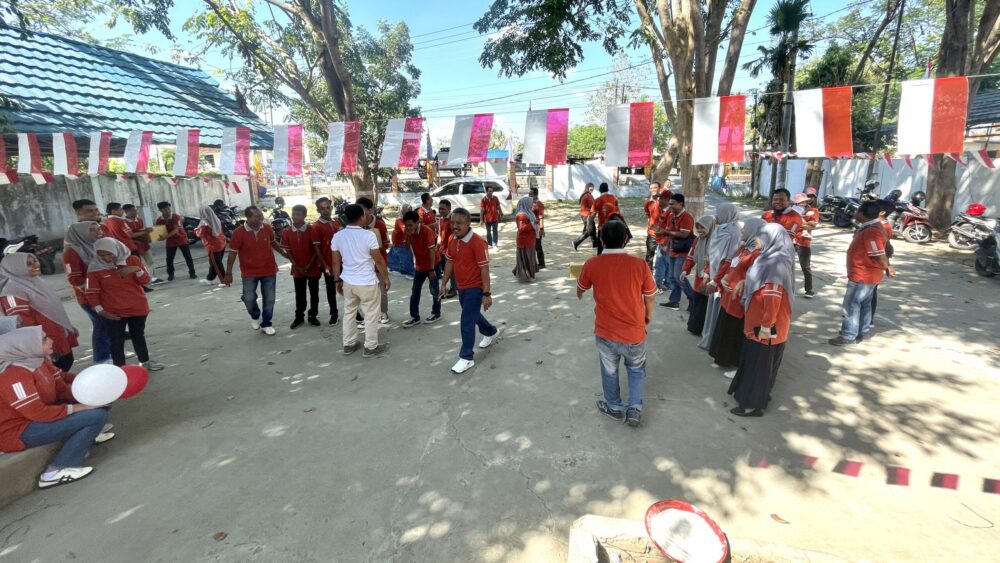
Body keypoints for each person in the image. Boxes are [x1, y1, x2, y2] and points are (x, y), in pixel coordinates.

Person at [0, 325, 112, 489]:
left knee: (98, 399)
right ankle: (57, 470)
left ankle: (88, 436)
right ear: (27, 347)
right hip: (17, 431)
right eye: (44, 339)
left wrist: (95, 381)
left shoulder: (37, 360)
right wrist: (83, 407)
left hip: (35, 420)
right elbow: (37, 413)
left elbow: (61, 384)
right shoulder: (12, 375)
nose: (51, 340)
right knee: (95, 416)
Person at [576, 220, 656, 428]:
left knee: (609, 370)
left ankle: (614, 406)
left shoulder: (592, 264)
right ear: (626, 240)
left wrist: (581, 292)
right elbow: (649, 297)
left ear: (601, 240)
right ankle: (634, 409)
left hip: (606, 332)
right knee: (636, 369)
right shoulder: (640, 265)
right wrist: (647, 317)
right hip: (634, 332)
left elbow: (581, 288)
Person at [727, 223, 795, 417]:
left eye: (760, 235)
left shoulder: (776, 263)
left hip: (767, 325)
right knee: (758, 361)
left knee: (759, 363)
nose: (755, 239)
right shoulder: (767, 258)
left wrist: (766, 325)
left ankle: (752, 405)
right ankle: (760, 395)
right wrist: (743, 282)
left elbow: (773, 297)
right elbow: (757, 279)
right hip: (760, 321)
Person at [439, 208, 503, 374]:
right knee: (472, 315)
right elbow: (449, 263)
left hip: (475, 287)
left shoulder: (478, 243)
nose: (455, 226)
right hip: (462, 287)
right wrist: (443, 283)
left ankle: (466, 357)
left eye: (459, 223)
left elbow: (484, 270)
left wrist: (486, 294)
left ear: (468, 223)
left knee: (467, 320)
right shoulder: (453, 239)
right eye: (452, 223)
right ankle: (491, 331)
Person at [85, 238, 164, 370]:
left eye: (110, 254)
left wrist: (136, 270)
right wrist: (101, 311)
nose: (106, 258)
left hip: (137, 307)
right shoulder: (94, 268)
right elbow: (91, 293)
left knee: (138, 335)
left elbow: (146, 281)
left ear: (117, 250)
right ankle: (119, 369)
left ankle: (145, 362)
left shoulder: (132, 260)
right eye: (101, 255)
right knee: (116, 340)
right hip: (113, 312)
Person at [828, 201, 894, 346]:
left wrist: (888, 266)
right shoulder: (873, 227)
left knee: (851, 304)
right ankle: (860, 331)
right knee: (864, 303)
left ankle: (849, 335)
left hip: (863, 274)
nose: (855, 212)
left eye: (858, 210)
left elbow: (879, 252)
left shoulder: (872, 231)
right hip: (867, 274)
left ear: (863, 214)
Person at [0, 254, 79, 370]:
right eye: (28, 264)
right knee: (58, 370)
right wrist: (39, 345)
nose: (35, 265)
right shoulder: (12, 291)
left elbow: (55, 310)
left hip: (57, 335)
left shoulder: (36, 282)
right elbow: (21, 324)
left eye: (35, 261)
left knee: (65, 363)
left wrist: (67, 328)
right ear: (14, 267)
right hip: (42, 340)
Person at [331, 204, 390, 358]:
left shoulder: (338, 236)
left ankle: (348, 344)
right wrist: (385, 277)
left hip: (348, 282)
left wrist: (337, 280)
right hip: (366, 282)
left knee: (349, 312)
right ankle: (370, 346)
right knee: (371, 314)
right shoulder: (368, 235)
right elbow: (378, 259)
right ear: (361, 216)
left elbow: (336, 262)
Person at [709, 217, 766, 378]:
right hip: (729, 297)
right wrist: (725, 278)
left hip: (739, 300)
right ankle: (722, 358)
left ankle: (733, 362)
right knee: (726, 326)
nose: (741, 231)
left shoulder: (758, 254)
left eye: (745, 228)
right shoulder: (743, 248)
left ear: (754, 231)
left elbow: (754, 278)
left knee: (734, 330)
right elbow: (732, 266)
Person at [223, 207, 290, 336]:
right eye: (257, 217)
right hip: (249, 272)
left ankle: (266, 323)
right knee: (249, 298)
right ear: (248, 218)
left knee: (269, 298)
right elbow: (232, 254)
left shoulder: (267, 228)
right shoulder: (238, 233)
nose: (261, 219)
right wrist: (228, 273)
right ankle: (255, 316)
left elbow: (273, 242)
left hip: (269, 269)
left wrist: (283, 253)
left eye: (261, 216)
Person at [62, 221, 111, 364]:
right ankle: (102, 359)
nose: (98, 232)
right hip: (89, 297)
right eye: (93, 230)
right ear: (81, 233)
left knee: (107, 324)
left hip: (104, 294)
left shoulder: (95, 246)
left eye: (98, 229)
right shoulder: (71, 252)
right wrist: (93, 293)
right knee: (101, 324)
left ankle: (108, 353)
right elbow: (75, 279)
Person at [700, 203, 742, 351]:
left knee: (718, 310)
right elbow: (712, 256)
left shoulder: (734, 233)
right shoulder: (719, 229)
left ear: (727, 214)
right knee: (711, 309)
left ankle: (714, 342)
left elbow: (729, 260)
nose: (715, 216)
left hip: (722, 278)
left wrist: (715, 280)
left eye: (718, 213)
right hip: (713, 274)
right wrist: (707, 273)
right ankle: (708, 338)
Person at [281, 205, 322, 329]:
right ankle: (299, 317)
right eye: (293, 214)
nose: (295, 217)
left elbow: (316, 249)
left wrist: (309, 265)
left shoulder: (311, 229)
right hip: (297, 269)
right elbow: (288, 252)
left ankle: (313, 316)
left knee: (314, 293)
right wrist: (297, 266)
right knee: (300, 294)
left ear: (304, 215)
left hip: (313, 267)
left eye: (298, 214)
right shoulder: (286, 231)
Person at [401, 210, 441, 327]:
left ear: (417, 222)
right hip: (419, 265)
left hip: (432, 264)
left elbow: (431, 251)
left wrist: (432, 269)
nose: (408, 227)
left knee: (434, 290)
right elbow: (407, 248)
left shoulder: (427, 231)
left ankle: (436, 312)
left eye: (410, 225)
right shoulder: (408, 231)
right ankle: (414, 316)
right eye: (406, 225)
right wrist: (407, 236)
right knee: (415, 291)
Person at [357, 197, 391, 324]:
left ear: (370, 210)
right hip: (363, 264)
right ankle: (369, 314)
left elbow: (386, 244)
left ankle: (383, 312)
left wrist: (375, 246)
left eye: (362, 209)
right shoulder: (357, 225)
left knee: (382, 290)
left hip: (378, 263)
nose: (360, 213)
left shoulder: (380, 225)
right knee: (365, 292)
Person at [659, 193, 695, 310]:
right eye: (669, 204)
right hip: (673, 249)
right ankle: (674, 301)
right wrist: (665, 242)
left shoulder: (687, 217)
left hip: (683, 252)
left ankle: (693, 299)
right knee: (672, 277)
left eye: (672, 204)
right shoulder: (671, 216)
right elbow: (669, 231)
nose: (670, 206)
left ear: (681, 204)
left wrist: (665, 232)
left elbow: (684, 234)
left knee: (678, 276)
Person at [680, 215, 715, 336]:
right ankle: (694, 327)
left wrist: (707, 272)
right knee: (697, 302)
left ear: (710, 227)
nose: (700, 231)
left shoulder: (716, 241)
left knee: (705, 305)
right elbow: (691, 256)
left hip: (710, 279)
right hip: (699, 277)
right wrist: (685, 270)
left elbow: (717, 261)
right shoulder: (697, 240)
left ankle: (703, 330)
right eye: (698, 228)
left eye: (703, 228)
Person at [310, 197, 341, 325]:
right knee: (331, 289)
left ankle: (356, 313)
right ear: (318, 210)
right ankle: (334, 314)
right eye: (322, 208)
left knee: (348, 287)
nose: (326, 210)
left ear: (331, 207)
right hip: (327, 263)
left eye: (328, 207)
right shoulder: (316, 226)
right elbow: (316, 248)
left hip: (342, 262)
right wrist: (325, 265)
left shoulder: (337, 223)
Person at [155, 201, 196, 281]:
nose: (167, 210)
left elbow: (176, 230)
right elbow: (159, 231)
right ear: (160, 210)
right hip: (170, 241)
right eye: (164, 209)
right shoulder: (159, 220)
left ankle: (192, 272)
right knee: (169, 259)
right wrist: (158, 237)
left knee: (188, 257)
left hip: (181, 238)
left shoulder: (176, 217)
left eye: (168, 208)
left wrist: (165, 237)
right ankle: (170, 274)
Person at [123, 204, 161, 284]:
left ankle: (152, 278)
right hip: (133, 246)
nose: (135, 212)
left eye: (135, 210)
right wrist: (145, 232)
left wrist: (148, 237)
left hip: (144, 245)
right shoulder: (124, 222)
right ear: (126, 212)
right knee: (139, 263)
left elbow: (142, 231)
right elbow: (130, 235)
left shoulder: (139, 220)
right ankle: (142, 279)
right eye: (132, 211)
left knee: (150, 261)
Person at [792, 192, 818, 297]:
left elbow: (812, 226)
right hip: (792, 240)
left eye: (804, 201)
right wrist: (804, 223)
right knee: (787, 265)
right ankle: (788, 288)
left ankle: (809, 290)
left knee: (805, 267)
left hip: (804, 242)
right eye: (800, 202)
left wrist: (799, 222)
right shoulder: (792, 211)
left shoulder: (812, 211)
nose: (802, 204)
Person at [195, 204, 228, 287]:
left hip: (213, 246)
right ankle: (210, 278)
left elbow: (200, 235)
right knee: (214, 263)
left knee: (217, 264)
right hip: (221, 242)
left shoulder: (204, 223)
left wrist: (195, 230)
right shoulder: (216, 219)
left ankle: (225, 281)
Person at [512, 197, 539, 282]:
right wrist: (533, 223)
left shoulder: (528, 212)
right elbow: (521, 228)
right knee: (526, 257)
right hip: (524, 240)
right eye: (530, 202)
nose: (532, 204)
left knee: (528, 257)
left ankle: (522, 273)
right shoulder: (521, 215)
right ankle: (526, 275)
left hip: (529, 239)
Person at [435, 199, 458, 299]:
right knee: (446, 270)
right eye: (439, 209)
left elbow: (456, 235)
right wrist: (438, 246)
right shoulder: (440, 220)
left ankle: (454, 289)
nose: (441, 211)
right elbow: (440, 234)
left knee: (452, 271)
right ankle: (448, 288)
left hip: (451, 249)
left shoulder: (453, 221)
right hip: (442, 249)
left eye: (443, 209)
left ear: (449, 208)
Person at [389, 204, 416, 278]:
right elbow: (405, 229)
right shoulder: (400, 220)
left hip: (401, 243)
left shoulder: (406, 220)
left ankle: (406, 271)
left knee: (403, 257)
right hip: (399, 243)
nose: (409, 212)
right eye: (407, 210)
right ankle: (408, 272)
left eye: (410, 210)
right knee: (404, 257)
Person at [592, 183, 619, 254]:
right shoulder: (614, 198)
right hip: (614, 226)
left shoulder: (597, 200)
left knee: (601, 249)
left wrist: (589, 223)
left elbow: (593, 214)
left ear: (600, 190)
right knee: (612, 248)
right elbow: (617, 210)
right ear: (607, 189)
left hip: (602, 227)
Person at [643, 181, 664, 270]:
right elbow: (648, 213)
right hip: (652, 232)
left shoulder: (665, 201)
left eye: (655, 188)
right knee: (650, 254)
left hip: (664, 233)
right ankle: (648, 275)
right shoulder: (648, 202)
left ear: (660, 188)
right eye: (651, 188)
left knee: (663, 256)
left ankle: (663, 279)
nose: (653, 190)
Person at [572, 182, 597, 251]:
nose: (592, 189)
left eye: (593, 188)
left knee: (593, 230)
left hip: (584, 215)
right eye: (591, 188)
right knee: (589, 230)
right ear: (587, 188)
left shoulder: (584, 195)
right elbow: (593, 206)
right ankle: (576, 242)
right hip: (587, 215)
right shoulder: (588, 195)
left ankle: (595, 245)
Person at [529, 187, 546, 269]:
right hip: (531, 227)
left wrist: (541, 229)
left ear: (536, 195)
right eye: (529, 194)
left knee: (538, 246)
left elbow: (541, 217)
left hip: (537, 228)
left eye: (531, 194)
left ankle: (541, 263)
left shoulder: (539, 204)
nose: (529, 195)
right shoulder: (531, 203)